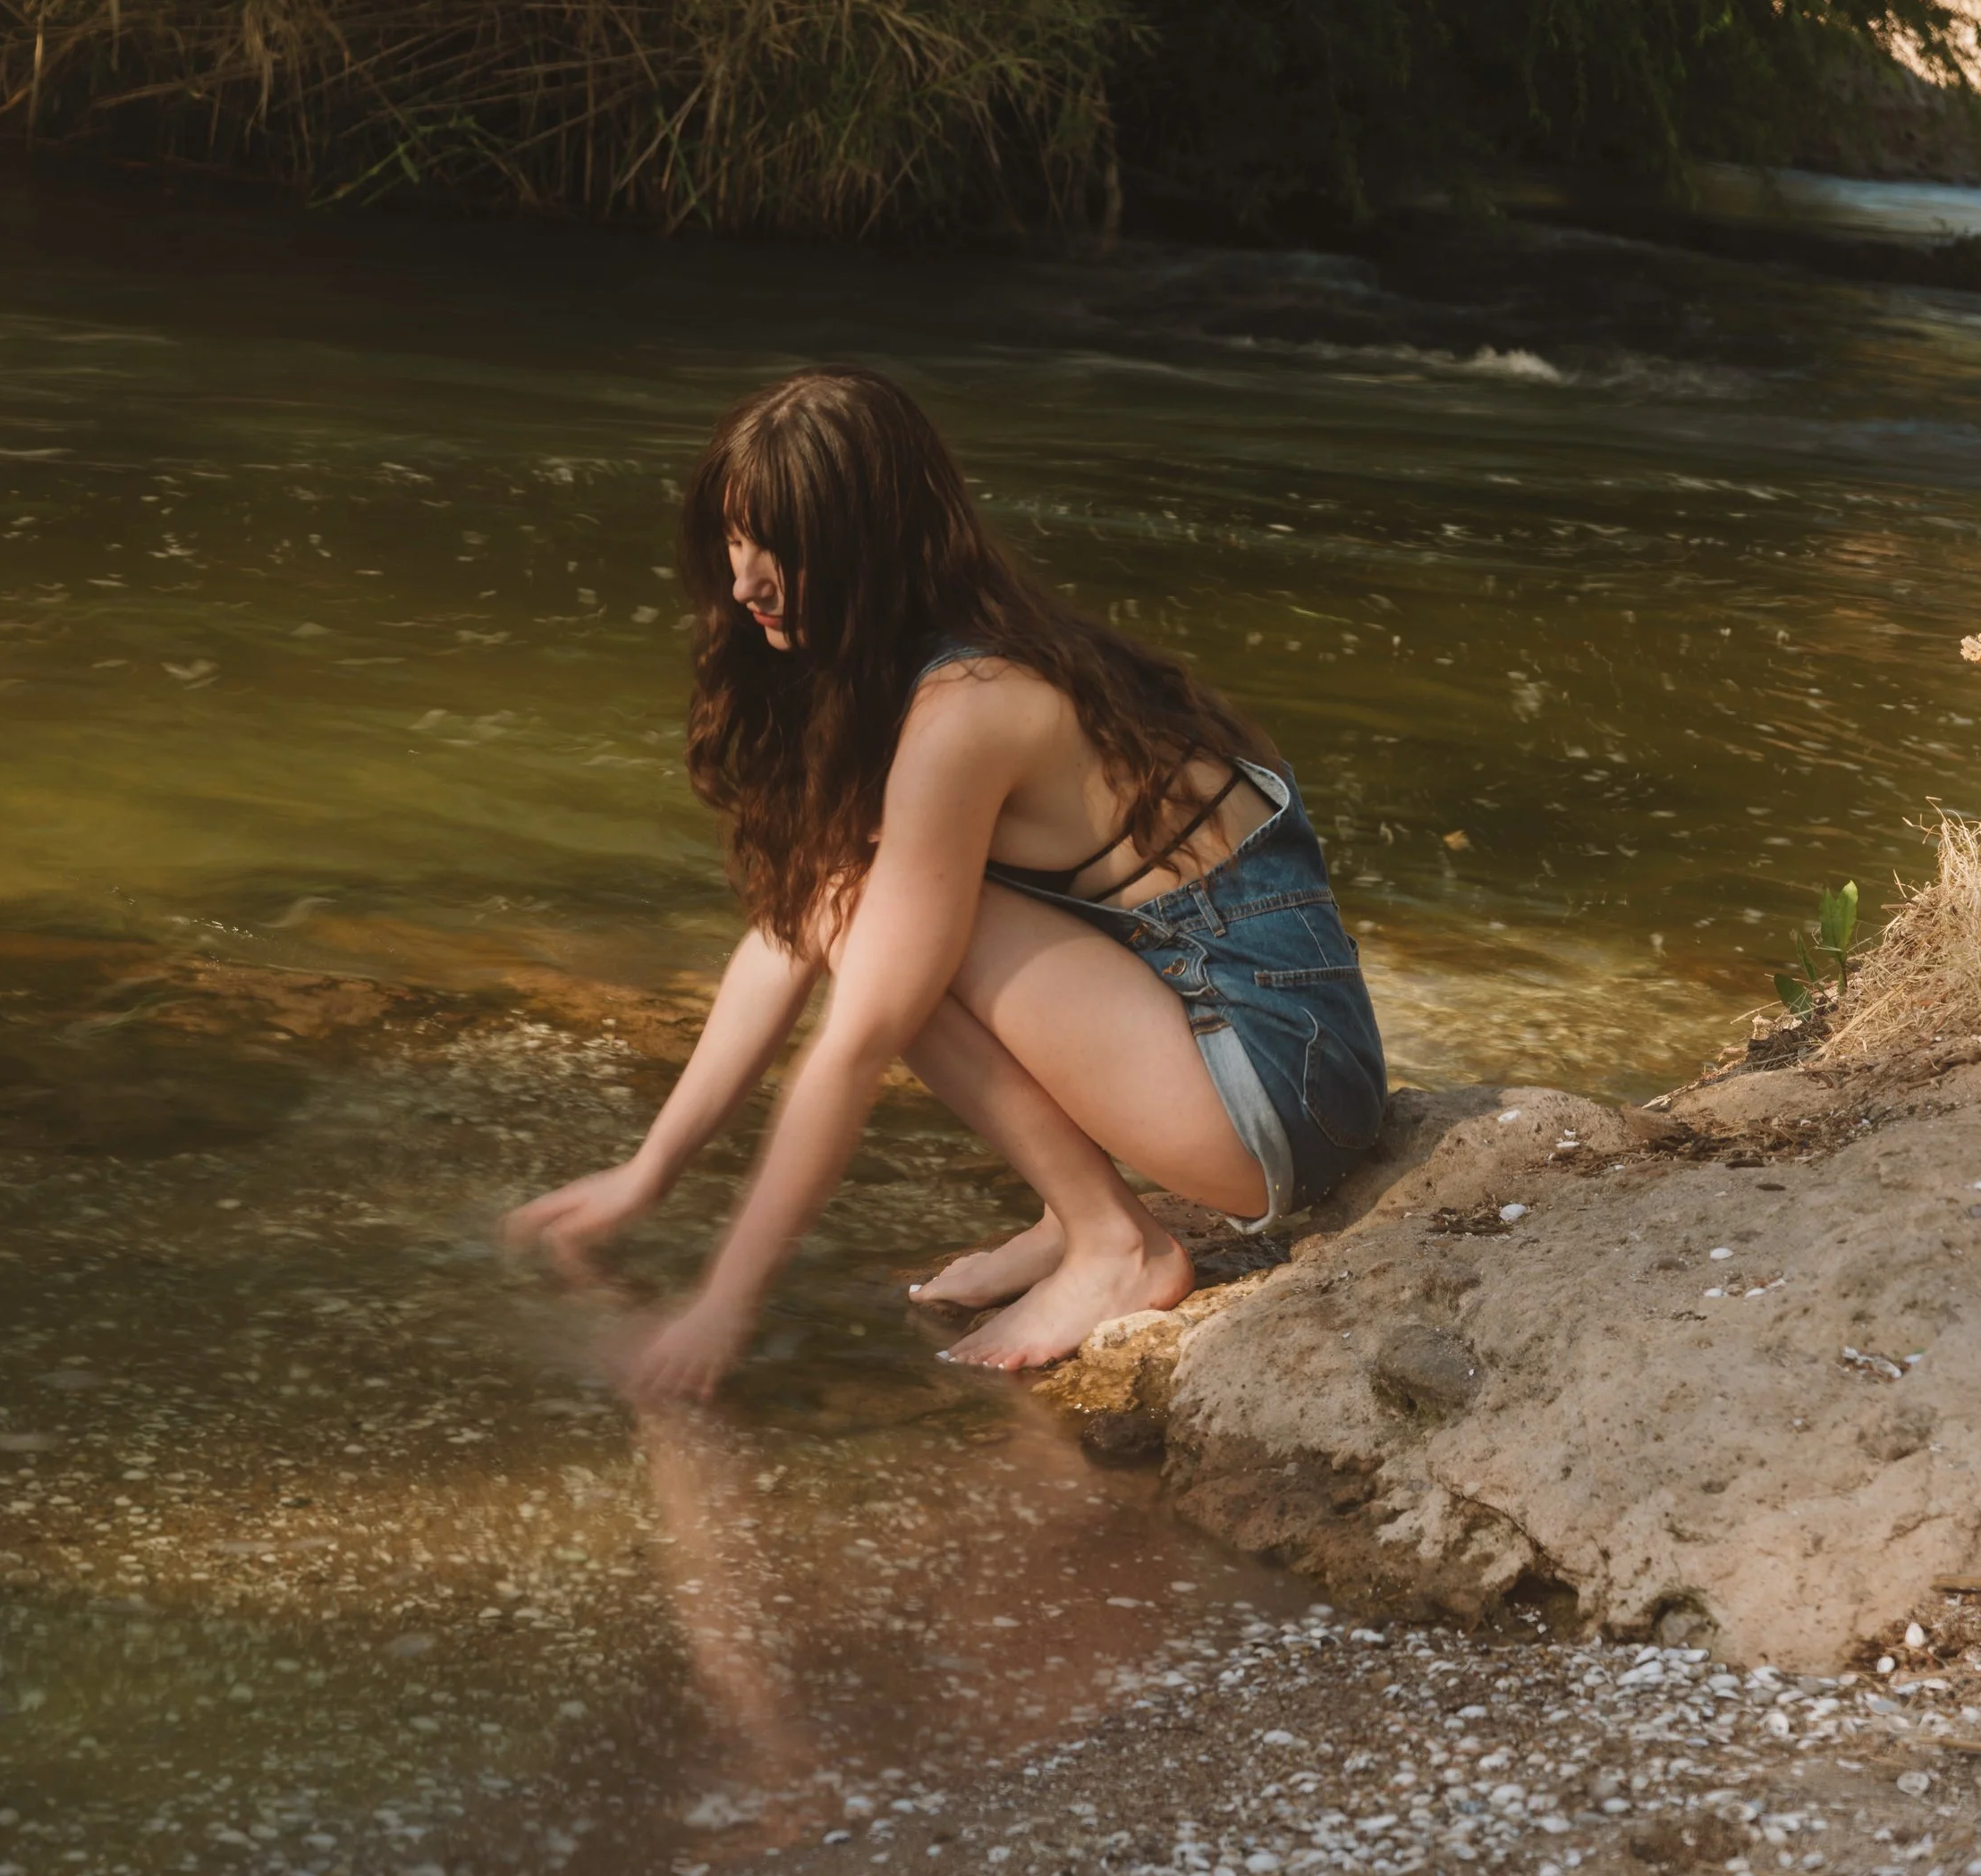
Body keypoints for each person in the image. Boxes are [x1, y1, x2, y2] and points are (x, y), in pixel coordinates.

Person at [504, 368, 1386, 1399]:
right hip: (1295, 1066)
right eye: (734, 542)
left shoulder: (969, 709)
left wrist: (722, 1303)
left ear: (867, 549)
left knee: (888, 945)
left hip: (1275, 1092)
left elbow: (863, 1035)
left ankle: (1115, 1245)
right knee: (852, 902)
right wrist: (646, 1174)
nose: (743, 583)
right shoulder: (956, 661)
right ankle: (1074, 1216)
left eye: (776, 548)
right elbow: (790, 932)